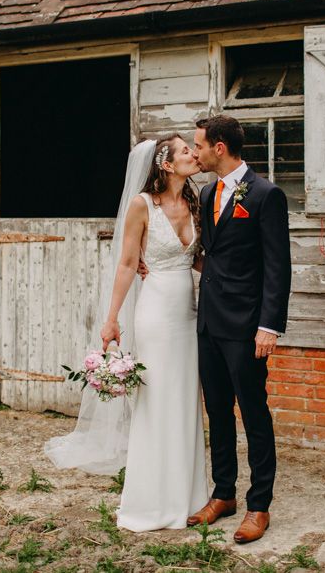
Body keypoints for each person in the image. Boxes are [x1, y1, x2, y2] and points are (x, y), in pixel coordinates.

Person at [44, 134, 209, 532]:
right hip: (154, 313)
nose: (193, 153)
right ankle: (151, 499)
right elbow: (126, 264)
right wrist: (111, 318)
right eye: (185, 150)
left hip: (188, 312)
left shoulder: (197, 199)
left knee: (186, 399)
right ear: (165, 164)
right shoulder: (141, 205)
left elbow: (203, 259)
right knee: (157, 402)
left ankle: (190, 496)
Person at [186, 114, 291, 544]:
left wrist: (270, 325)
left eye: (199, 145)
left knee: (253, 413)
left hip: (247, 326)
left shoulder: (266, 194)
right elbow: (213, 256)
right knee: (217, 411)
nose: (195, 152)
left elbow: (277, 266)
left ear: (220, 148)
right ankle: (224, 493)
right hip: (209, 322)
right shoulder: (209, 191)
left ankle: (259, 505)